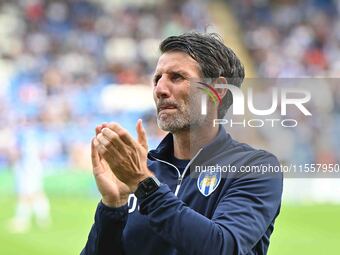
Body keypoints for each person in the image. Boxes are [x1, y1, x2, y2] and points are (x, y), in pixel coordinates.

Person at [81, 32, 283, 255]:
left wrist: (145, 185)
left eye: (176, 77)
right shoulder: (142, 169)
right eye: (157, 79)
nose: (160, 89)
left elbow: (223, 247)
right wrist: (112, 206)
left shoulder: (254, 168)